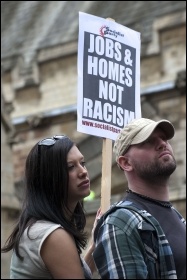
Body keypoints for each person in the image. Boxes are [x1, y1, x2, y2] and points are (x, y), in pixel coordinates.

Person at [93, 118, 186, 279]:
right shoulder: (120, 223)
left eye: (164, 138)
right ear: (126, 163)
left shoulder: (176, 215)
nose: (162, 144)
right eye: (149, 141)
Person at [1, 135, 101, 279]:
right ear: (49, 179)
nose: (83, 171)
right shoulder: (52, 235)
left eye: (82, 163)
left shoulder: (43, 230)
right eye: (71, 167)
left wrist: (95, 245)